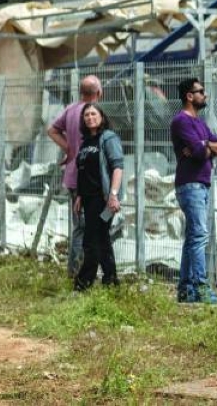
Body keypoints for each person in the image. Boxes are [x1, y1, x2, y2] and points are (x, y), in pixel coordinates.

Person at [172, 77, 217, 304]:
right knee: (200, 236)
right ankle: (202, 289)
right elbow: (197, 153)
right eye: (200, 91)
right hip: (190, 184)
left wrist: (206, 146)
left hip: (201, 185)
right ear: (189, 96)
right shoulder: (181, 122)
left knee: (193, 237)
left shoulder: (201, 124)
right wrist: (204, 147)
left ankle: (185, 290)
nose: (204, 95)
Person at [47, 75, 102, 278]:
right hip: (88, 178)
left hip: (71, 176)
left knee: (80, 227)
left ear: (81, 92)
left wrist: (69, 149)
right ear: (99, 93)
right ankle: (82, 274)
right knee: (86, 228)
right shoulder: (93, 114)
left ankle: (76, 272)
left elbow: (52, 130)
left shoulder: (70, 110)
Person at [72, 103, 124, 290]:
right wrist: (79, 196)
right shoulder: (86, 142)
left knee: (90, 240)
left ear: (101, 117)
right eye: (86, 115)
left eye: (93, 113)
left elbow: (117, 167)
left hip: (102, 199)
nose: (90, 117)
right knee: (101, 239)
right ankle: (111, 281)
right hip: (87, 198)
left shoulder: (108, 138)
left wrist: (113, 195)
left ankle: (83, 283)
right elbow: (83, 171)